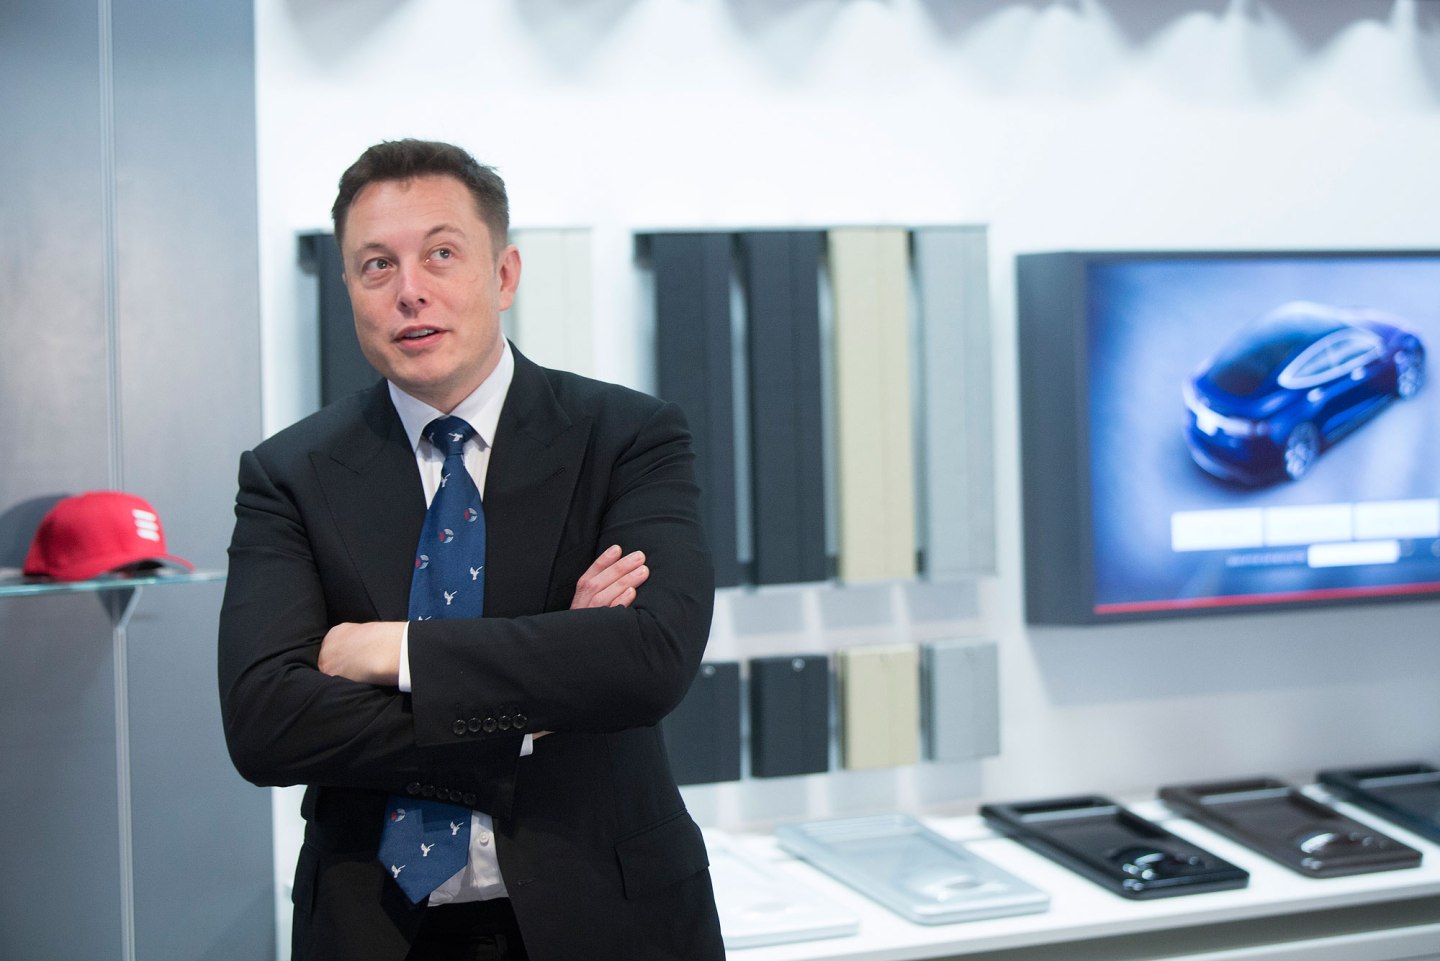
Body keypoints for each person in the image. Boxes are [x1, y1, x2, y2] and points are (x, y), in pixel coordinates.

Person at [218, 139, 724, 961]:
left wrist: (395, 649)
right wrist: (540, 704)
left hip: (607, 913)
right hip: (375, 929)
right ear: (348, 289)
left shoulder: (628, 436)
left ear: (504, 275)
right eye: (376, 265)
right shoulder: (288, 474)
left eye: (441, 254)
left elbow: (650, 657)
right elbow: (266, 724)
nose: (410, 289)